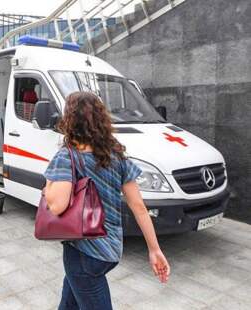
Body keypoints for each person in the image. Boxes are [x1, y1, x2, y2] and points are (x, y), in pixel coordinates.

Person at [43, 92, 170, 310]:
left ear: (69, 119)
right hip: (110, 251)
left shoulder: (67, 156)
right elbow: (138, 206)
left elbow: (57, 205)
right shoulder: (116, 154)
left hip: (84, 252)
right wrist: (154, 249)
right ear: (102, 118)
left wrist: (48, 183)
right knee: (69, 303)